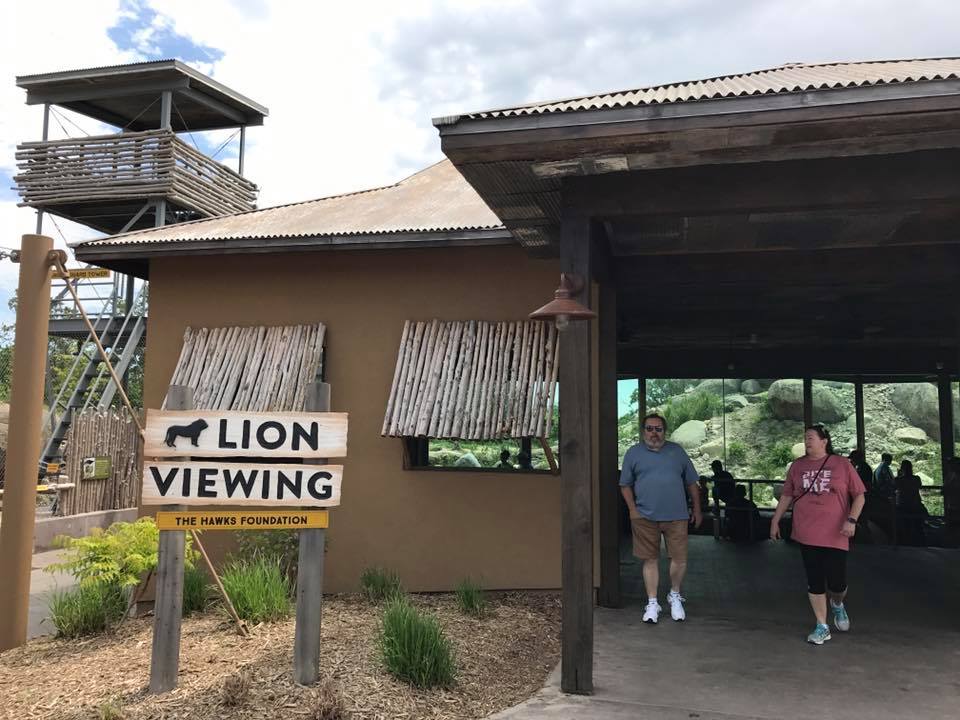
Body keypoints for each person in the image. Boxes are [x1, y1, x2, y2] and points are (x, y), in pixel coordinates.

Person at [770, 424, 866, 645]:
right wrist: (775, 520)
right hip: (807, 531)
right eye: (805, 438)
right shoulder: (797, 466)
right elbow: (786, 495)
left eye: (811, 437)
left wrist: (851, 519)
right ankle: (822, 625)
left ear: (824, 441)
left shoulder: (842, 464)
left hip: (836, 532)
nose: (807, 441)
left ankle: (837, 604)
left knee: (837, 582)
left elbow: (859, 495)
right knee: (814, 581)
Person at [619, 413, 702, 624]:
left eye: (658, 429)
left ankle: (674, 594)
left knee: (679, 559)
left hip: (677, 516)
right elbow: (625, 484)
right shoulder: (633, 453)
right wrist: (632, 510)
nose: (654, 433)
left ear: (665, 431)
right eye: (649, 428)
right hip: (645, 516)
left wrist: (698, 509)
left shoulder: (678, 452)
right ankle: (652, 602)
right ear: (643, 431)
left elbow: (692, 483)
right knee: (650, 559)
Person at [895, 460, 926, 546]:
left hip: (903, 504)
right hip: (915, 504)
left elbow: (894, 486)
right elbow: (919, 486)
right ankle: (922, 543)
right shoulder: (916, 478)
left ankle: (907, 543)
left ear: (902, 469)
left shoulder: (899, 480)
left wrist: (899, 475)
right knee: (918, 525)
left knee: (906, 525)